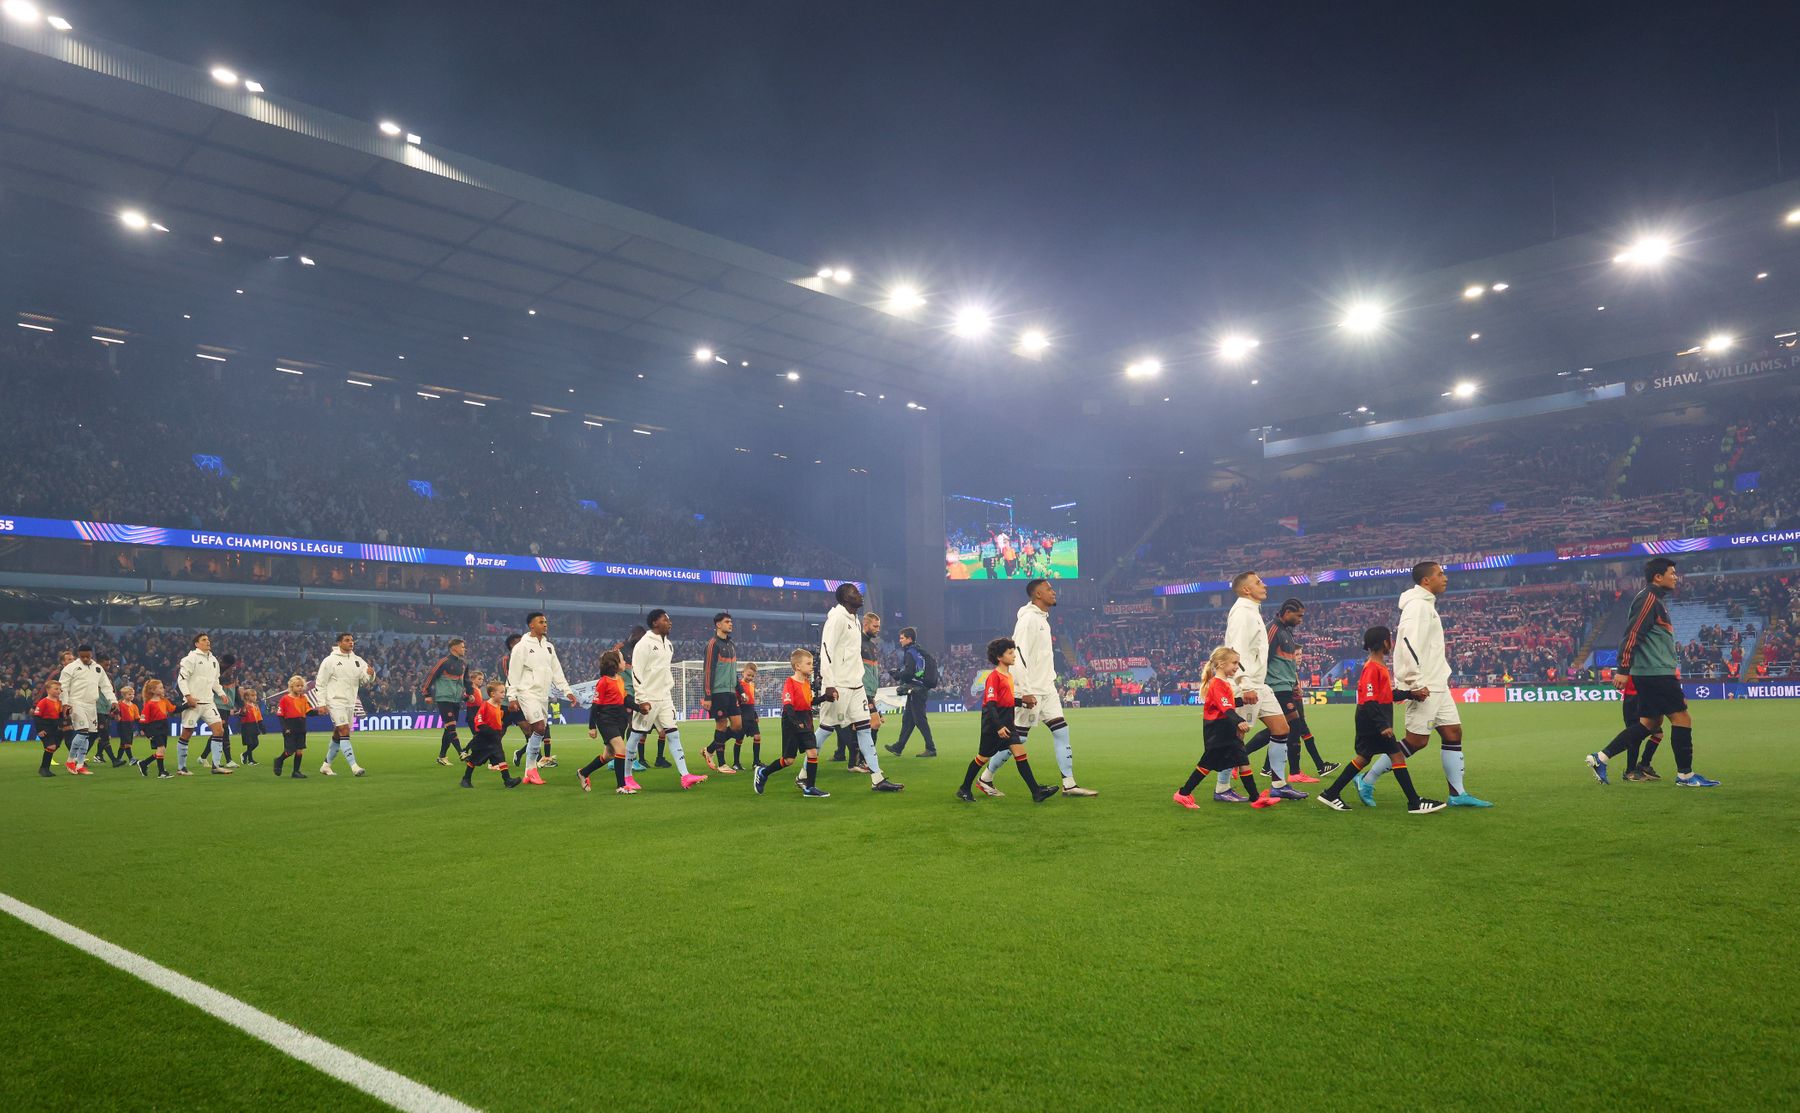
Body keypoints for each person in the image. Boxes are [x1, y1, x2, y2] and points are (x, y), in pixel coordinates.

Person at [1359, 562, 1493, 807]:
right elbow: (1407, 645)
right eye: (1440, 574)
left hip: (1438, 683)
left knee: (1453, 733)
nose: (1445, 578)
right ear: (1426, 580)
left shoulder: (1426, 605)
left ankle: (1457, 794)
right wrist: (1414, 684)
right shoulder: (1417, 607)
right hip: (1425, 685)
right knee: (1417, 741)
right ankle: (1367, 779)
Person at [1586, 558, 1719, 788]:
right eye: (1672, 573)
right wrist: (1622, 669)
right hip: (1655, 673)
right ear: (1658, 577)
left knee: (1649, 723)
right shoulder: (1648, 598)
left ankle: (1601, 758)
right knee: (1682, 718)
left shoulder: (1655, 600)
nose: (1676, 577)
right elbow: (1632, 633)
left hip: (1651, 672)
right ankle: (1685, 776)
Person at [983, 579, 1097, 796]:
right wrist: (1024, 690)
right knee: (1019, 738)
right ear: (1037, 594)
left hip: (1047, 688)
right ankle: (986, 778)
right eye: (1049, 589)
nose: (1054, 592)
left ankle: (1069, 784)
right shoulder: (1028, 621)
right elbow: (1018, 656)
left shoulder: (1042, 619)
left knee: (1061, 731)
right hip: (1031, 690)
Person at [1315, 627, 1446, 814]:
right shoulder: (1372, 668)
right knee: (1396, 755)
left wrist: (1411, 694)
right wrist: (1382, 725)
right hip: (1372, 722)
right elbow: (1369, 700)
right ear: (1385, 642)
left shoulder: (1377, 667)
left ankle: (1331, 793)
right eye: (1390, 640)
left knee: (1363, 758)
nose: (1391, 643)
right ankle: (1414, 802)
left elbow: (1385, 695)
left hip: (1369, 720)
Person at [1219, 573, 1305, 799]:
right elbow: (1235, 651)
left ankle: (1279, 784)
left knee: (1281, 728)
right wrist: (1244, 684)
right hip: (1246, 685)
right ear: (1246, 589)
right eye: (1258, 582)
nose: (1264, 585)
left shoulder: (1252, 611)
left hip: (1259, 684)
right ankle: (1222, 787)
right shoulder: (1241, 614)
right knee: (1237, 735)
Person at [817, 583, 903, 792]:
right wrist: (828, 684)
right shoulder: (837, 618)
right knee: (825, 730)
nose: (859, 594)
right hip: (839, 685)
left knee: (865, 729)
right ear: (845, 598)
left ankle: (877, 778)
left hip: (856, 686)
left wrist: (860, 679)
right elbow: (826, 650)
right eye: (854, 592)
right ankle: (802, 774)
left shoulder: (854, 620)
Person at [957, 637, 1059, 803]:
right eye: (1010, 653)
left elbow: (1006, 700)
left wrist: (1022, 702)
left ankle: (1036, 792)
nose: (1014, 656)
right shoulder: (994, 677)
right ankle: (964, 788)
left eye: (1014, 652)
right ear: (999, 657)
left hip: (1007, 723)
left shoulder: (1008, 676)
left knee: (1021, 754)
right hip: (993, 726)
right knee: (982, 758)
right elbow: (990, 705)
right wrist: (998, 727)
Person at [1171, 646, 1275, 809]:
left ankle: (1255, 798)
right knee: (1206, 764)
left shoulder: (1224, 683)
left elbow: (1228, 703)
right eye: (1234, 663)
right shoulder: (1217, 683)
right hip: (1217, 730)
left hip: (1225, 729)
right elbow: (1225, 708)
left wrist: (1243, 701)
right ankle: (1183, 793)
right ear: (1220, 664)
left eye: (1238, 663)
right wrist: (1239, 720)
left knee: (1242, 760)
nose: (1236, 667)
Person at [1251, 600, 1336, 780]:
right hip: (1276, 687)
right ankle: (1293, 773)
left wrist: (1294, 685)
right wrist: (1260, 685)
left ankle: (1254, 762)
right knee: (1292, 725)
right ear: (1287, 612)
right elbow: (1261, 659)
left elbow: (1286, 663)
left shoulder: (1286, 632)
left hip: (1286, 687)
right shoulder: (1273, 629)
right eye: (1298, 615)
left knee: (1283, 728)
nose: (1300, 620)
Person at [626, 610, 706, 789]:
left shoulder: (668, 645)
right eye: (665, 619)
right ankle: (627, 776)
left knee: (673, 733)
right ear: (655, 623)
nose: (669, 622)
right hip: (648, 697)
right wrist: (641, 700)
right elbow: (636, 672)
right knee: (636, 734)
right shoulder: (644, 644)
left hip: (665, 697)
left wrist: (669, 685)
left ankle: (685, 775)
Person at [507, 611, 581, 786]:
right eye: (541, 622)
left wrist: (566, 690)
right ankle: (531, 769)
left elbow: (556, 670)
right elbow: (514, 672)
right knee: (539, 727)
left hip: (542, 694)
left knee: (539, 730)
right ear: (531, 625)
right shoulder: (522, 647)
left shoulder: (549, 646)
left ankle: (529, 771)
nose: (545, 624)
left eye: (546, 622)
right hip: (527, 692)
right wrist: (512, 696)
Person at [752, 648, 830, 797]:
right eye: (808, 663)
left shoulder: (807, 683)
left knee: (812, 753)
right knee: (788, 760)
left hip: (805, 719)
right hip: (791, 721)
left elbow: (809, 702)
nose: (811, 666)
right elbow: (788, 706)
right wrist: (796, 722)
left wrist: (824, 698)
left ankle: (810, 788)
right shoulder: (790, 682)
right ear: (798, 666)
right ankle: (763, 772)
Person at [578, 649, 639, 795]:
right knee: (621, 750)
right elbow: (595, 705)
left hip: (620, 720)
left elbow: (625, 699)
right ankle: (621, 786)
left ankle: (583, 772)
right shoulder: (603, 682)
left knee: (609, 755)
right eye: (622, 659)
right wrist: (592, 727)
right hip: (607, 720)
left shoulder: (619, 679)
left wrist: (639, 707)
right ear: (614, 663)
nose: (625, 662)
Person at [316, 632, 374, 777]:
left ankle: (326, 765)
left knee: (338, 733)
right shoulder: (330, 660)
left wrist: (371, 674)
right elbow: (320, 683)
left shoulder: (358, 661)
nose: (351, 642)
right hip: (335, 701)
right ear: (339, 643)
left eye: (352, 640)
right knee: (344, 731)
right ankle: (354, 767)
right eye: (347, 640)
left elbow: (364, 680)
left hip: (350, 702)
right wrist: (321, 703)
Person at [177, 633, 232, 776]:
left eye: (208, 639)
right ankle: (181, 768)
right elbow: (182, 679)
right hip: (193, 702)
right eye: (204, 640)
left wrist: (221, 693)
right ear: (196, 644)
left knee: (219, 730)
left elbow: (215, 681)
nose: (208, 641)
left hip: (209, 702)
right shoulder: (190, 659)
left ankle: (216, 766)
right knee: (187, 732)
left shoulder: (213, 660)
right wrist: (188, 696)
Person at [58, 643, 116, 776]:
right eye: (82, 656)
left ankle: (80, 765)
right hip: (76, 702)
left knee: (88, 735)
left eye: (87, 656)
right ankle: (70, 760)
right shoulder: (71, 668)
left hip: (91, 704)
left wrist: (113, 700)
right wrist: (65, 703)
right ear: (78, 655)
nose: (85, 659)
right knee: (82, 732)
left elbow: (106, 686)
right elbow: (63, 687)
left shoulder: (97, 668)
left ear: (91, 655)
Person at [885, 626, 937, 757]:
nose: (900, 640)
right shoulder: (918, 651)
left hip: (915, 690)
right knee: (908, 720)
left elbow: (909, 673)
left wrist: (897, 675)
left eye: (902, 638)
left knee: (920, 720)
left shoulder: (910, 653)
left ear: (909, 639)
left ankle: (931, 748)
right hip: (919, 688)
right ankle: (898, 747)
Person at [422, 637, 474, 765]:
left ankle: (442, 756)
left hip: (456, 699)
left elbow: (466, 680)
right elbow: (431, 676)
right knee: (451, 726)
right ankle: (461, 752)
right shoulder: (443, 662)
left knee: (449, 728)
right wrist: (427, 694)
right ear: (454, 648)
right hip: (444, 698)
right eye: (462, 646)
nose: (464, 649)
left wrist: (469, 694)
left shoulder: (464, 663)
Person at [700, 612, 741, 774]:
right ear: (718, 625)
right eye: (727, 622)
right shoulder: (712, 644)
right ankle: (722, 763)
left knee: (738, 726)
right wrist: (708, 695)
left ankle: (709, 749)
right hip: (717, 692)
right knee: (722, 724)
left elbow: (733, 670)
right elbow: (708, 670)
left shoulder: (731, 645)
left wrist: (740, 690)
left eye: (731, 621)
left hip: (731, 692)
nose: (730, 624)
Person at [461, 680, 522, 789]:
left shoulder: (498, 706)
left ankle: (507, 780)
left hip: (495, 738)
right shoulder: (486, 705)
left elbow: (500, 716)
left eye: (504, 692)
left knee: (501, 757)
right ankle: (466, 778)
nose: (504, 695)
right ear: (493, 694)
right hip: (484, 738)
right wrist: (489, 731)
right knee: (475, 759)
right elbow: (478, 720)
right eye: (502, 692)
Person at [1617, 677, 1663, 781]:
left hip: (1644, 697)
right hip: (1633, 698)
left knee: (1658, 734)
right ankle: (1630, 771)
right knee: (1635, 737)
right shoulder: (1634, 662)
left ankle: (1644, 764)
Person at [133, 680, 176, 779]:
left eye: (162, 687)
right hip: (154, 728)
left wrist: (186, 706)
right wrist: (146, 732)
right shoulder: (149, 704)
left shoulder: (164, 700)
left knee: (162, 750)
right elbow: (143, 719)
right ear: (152, 690)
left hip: (163, 727)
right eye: (160, 688)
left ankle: (144, 763)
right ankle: (161, 772)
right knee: (161, 748)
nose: (163, 689)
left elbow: (173, 709)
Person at [274, 676, 312, 779]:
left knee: (299, 750)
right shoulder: (285, 699)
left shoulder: (304, 698)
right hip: (290, 727)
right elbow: (280, 715)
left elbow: (308, 711)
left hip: (301, 727)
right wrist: (284, 728)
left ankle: (296, 772)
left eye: (301, 686)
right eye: (297, 686)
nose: (300, 688)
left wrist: (320, 711)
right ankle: (279, 760)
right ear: (291, 687)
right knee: (290, 751)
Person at [34, 679, 67, 777]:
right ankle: (44, 768)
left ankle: (45, 768)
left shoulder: (59, 702)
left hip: (55, 728)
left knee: (54, 746)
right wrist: (39, 730)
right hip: (45, 727)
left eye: (59, 689)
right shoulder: (43, 702)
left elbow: (60, 715)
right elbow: (37, 716)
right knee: (51, 747)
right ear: (48, 690)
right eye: (56, 689)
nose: (58, 691)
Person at [736, 662, 763, 770]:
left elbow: (751, 701)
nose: (750, 677)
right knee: (739, 739)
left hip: (751, 714)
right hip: (742, 714)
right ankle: (736, 763)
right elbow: (737, 700)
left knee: (757, 737)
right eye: (748, 675)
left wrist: (755, 714)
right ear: (743, 673)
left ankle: (756, 762)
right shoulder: (739, 685)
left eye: (752, 676)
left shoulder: (752, 684)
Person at [112, 683, 141, 769]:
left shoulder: (134, 706)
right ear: (124, 695)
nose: (132, 696)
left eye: (133, 694)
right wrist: (116, 715)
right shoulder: (120, 704)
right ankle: (131, 758)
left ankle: (118, 759)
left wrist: (142, 724)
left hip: (130, 725)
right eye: (129, 694)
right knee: (127, 742)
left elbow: (137, 718)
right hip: (123, 725)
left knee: (123, 743)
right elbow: (114, 713)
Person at [237, 688, 265, 765]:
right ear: (246, 697)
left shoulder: (255, 706)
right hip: (247, 727)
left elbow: (259, 718)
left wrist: (262, 727)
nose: (254, 697)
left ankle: (245, 755)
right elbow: (241, 716)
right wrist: (243, 712)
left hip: (254, 726)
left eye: (255, 695)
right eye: (252, 695)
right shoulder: (244, 706)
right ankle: (250, 760)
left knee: (255, 743)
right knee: (250, 743)